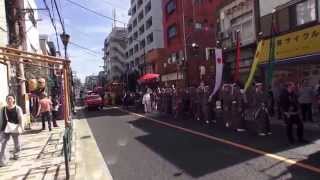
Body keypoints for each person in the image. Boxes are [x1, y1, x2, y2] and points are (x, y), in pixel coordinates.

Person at [0, 95, 24, 166]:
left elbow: (21, 118)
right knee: (3, 144)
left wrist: (21, 127)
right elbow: (1, 119)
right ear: (6, 100)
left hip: (15, 128)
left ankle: (16, 154)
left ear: (14, 100)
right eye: (8, 99)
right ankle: (3, 161)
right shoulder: (3, 109)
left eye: (10, 99)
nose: (9, 100)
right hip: (5, 128)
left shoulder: (17, 108)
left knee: (17, 144)